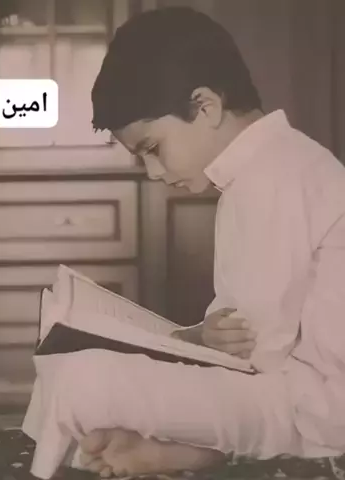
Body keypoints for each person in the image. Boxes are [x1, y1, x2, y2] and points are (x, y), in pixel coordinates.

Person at [34, 6, 345, 478]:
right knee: (93, 372)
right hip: (301, 394)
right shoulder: (275, 165)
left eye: (153, 149)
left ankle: (199, 451)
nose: (153, 172)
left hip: (319, 411)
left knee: (84, 378)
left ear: (206, 107)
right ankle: (193, 450)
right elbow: (247, 333)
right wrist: (194, 341)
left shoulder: (271, 179)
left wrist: (180, 344)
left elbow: (258, 356)